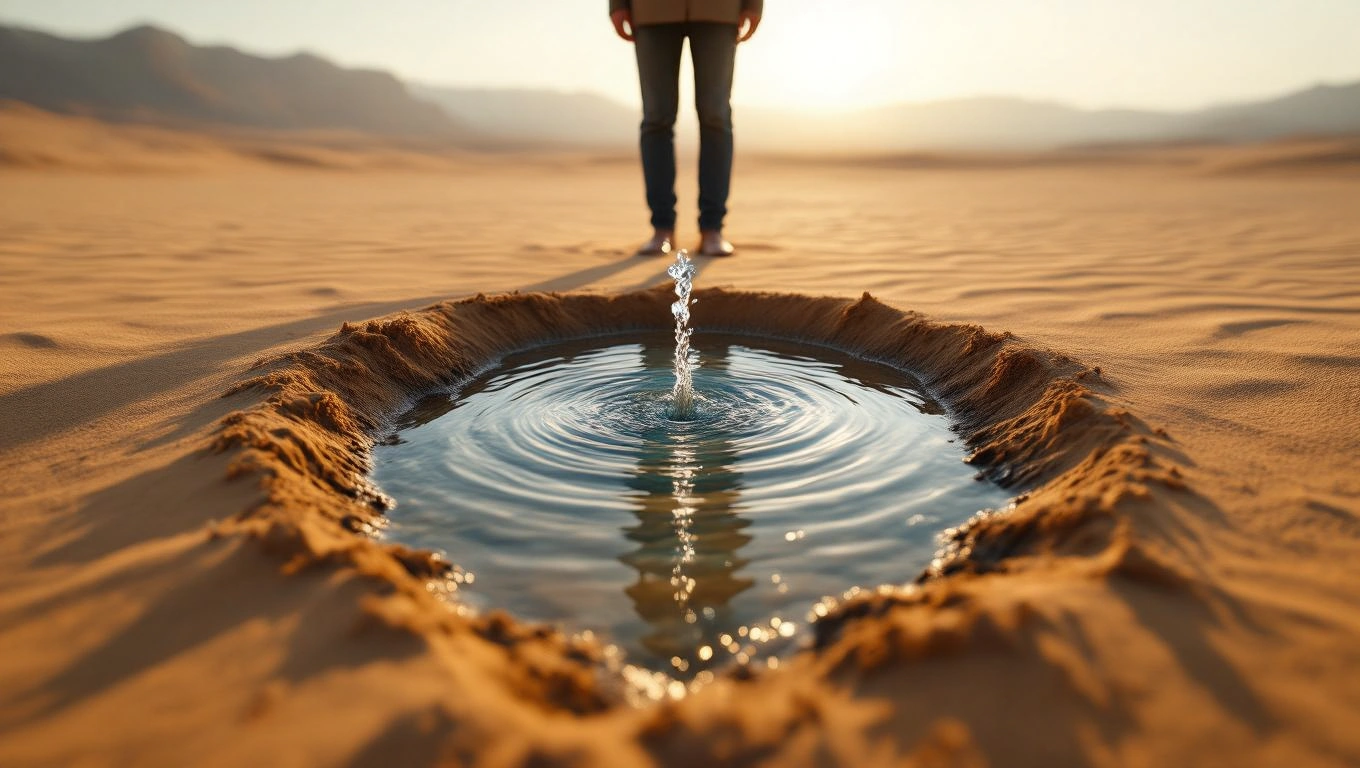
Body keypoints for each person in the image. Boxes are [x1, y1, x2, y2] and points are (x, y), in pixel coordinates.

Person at [610, 0, 763, 257]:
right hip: (651, 11)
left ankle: (713, 229)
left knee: (716, 116)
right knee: (657, 118)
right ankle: (661, 228)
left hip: (719, 10)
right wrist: (617, 3)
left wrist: (753, 4)